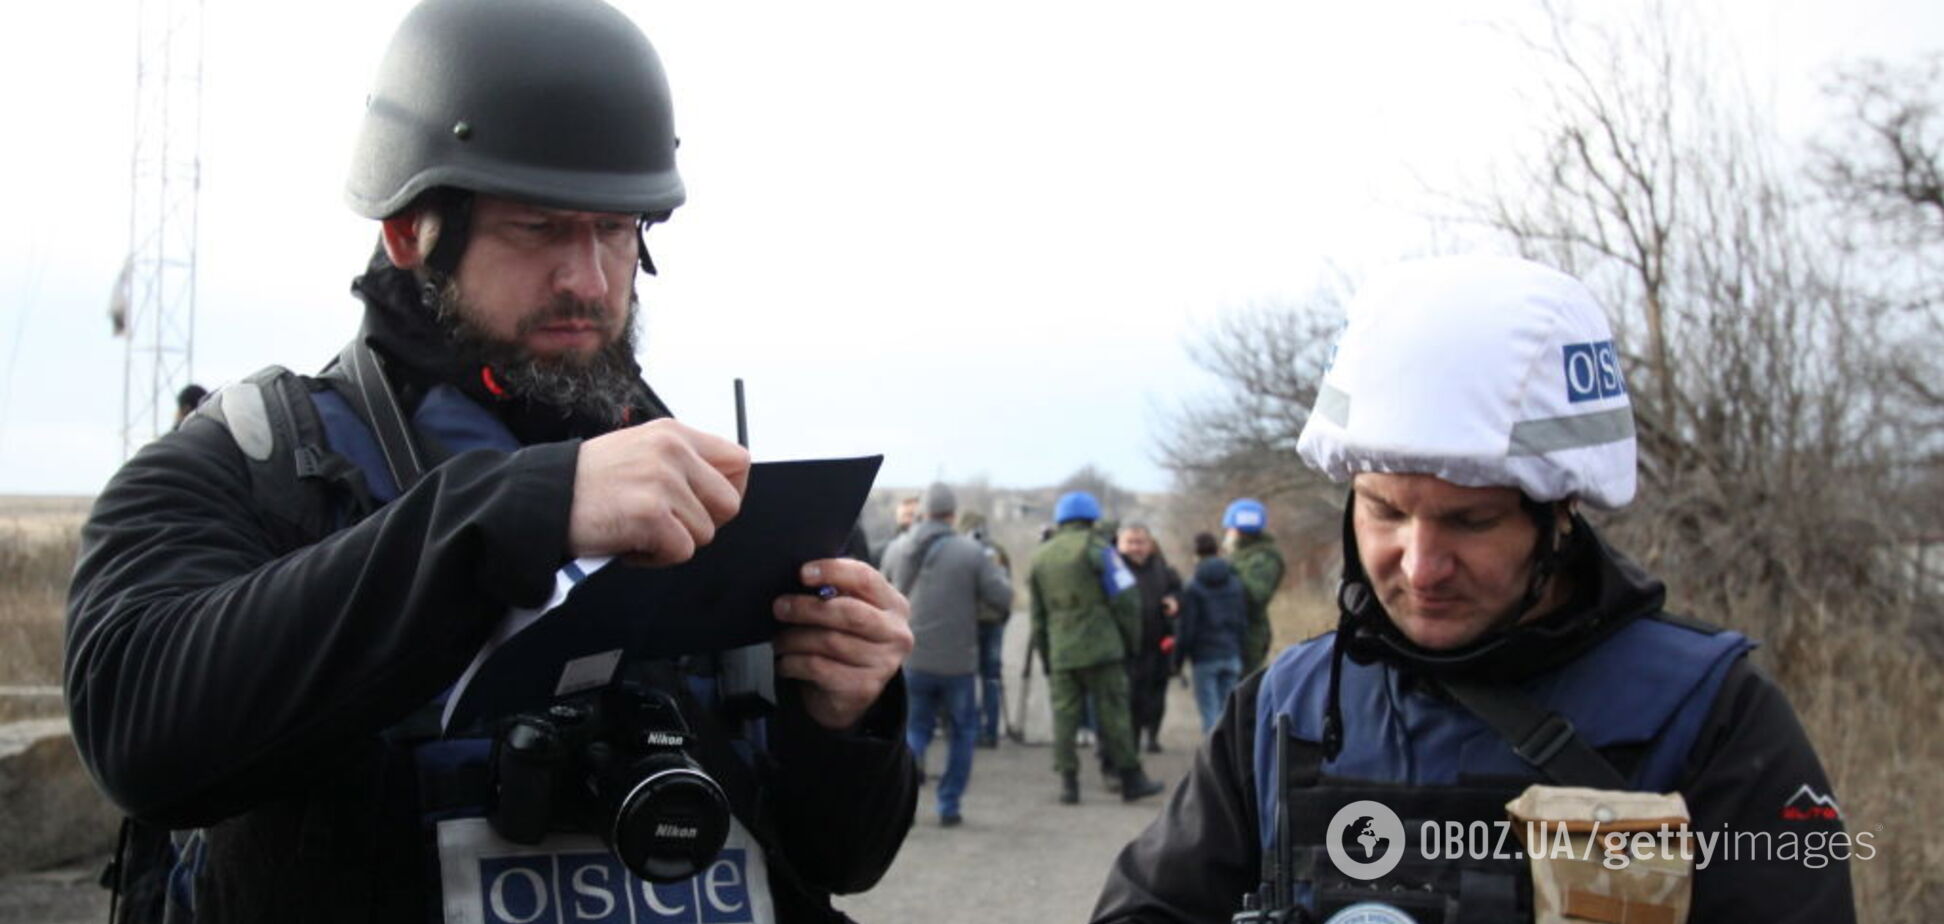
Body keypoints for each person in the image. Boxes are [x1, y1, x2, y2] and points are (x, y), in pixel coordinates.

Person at [64, 1, 918, 920]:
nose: (589, 280)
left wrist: (848, 720)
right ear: (410, 232)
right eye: (539, 228)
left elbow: (844, 856)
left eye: (616, 230)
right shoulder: (253, 466)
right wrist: (522, 512)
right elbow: (137, 732)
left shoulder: (719, 492)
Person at [1091, 256, 1854, 922]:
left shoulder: (1707, 718)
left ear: (1562, 514)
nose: (1420, 565)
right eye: (1386, 511)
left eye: (1471, 521)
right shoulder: (1283, 708)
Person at [880, 483, 1013, 826]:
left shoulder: (897, 549)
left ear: (922, 512)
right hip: (958, 664)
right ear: (952, 514)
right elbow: (1002, 596)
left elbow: (882, 595)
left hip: (912, 659)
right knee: (962, 732)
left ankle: (902, 802)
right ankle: (949, 806)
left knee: (914, 730)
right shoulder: (970, 552)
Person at [1029, 491, 1165, 805]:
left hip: (1062, 650)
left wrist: (1047, 655)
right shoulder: (1099, 549)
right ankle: (1131, 779)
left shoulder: (1041, 556)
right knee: (1114, 714)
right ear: (1093, 518)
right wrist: (1131, 642)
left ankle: (1069, 783)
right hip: (1103, 649)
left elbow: (1037, 616)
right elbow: (1126, 600)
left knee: (1064, 716)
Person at [1116, 523, 1182, 754]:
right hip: (1125, 648)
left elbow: (1178, 592)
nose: (1136, 548)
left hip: (1157, 645)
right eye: (1130, 542)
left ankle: (1152, 734)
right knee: (1129, 699)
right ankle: (1128, 746)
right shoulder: (1114, 572)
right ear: (1120, 544)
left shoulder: (1162, 570)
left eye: (1141, 542)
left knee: (1156, 695)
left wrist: (1174, 601)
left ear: (1150, 544)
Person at [1172, 530, 1246, 733]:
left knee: (1210, 713)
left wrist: (1178, 661)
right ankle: (1232, 759)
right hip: (1231, 654)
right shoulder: (1235, 583)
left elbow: (1187, 628)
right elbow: (1241, 621)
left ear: (1196, 554)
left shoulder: (1193, 586)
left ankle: (1214, 760)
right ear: (1218, 551)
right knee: (1230, 711)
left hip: (1205, 658)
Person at [956, 509, 1014, 748]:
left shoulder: (960, 550)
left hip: (968, 622)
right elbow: (1005, 586)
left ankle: (970, 729)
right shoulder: (997, 551)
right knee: (991, 677)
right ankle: (991, 731)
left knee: (967, 678)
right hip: (993, 623)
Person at [1223, 497, 1285, 674]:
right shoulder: (1240, 555)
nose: (1227, 533)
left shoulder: (1265, 557)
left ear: (1239, 530)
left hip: (1249, 636)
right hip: (1230, 634)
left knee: (1244, 692)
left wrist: (1225, 576)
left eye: (1230, 528)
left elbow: (1255, 595)